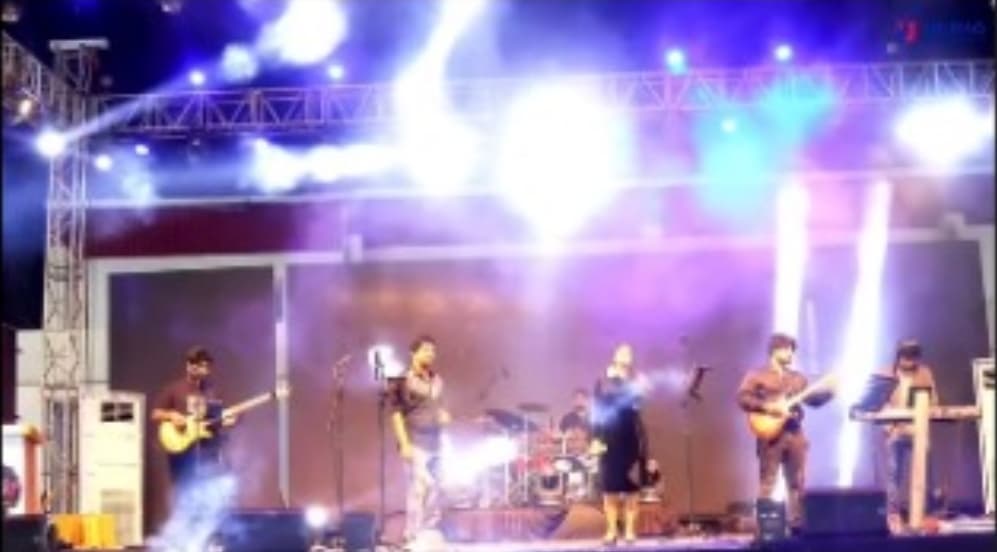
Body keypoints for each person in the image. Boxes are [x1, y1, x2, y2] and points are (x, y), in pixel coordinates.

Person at [736, 333, 835, 534]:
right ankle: (765, 530)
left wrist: (831, 392)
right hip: (770, 435)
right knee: (768, 482)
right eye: (787, 349)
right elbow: (743, 398)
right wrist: (768, 407)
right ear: (775, 350)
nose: (791, 353)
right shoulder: (757, 375)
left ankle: (797, 526)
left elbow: (813, 401)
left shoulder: (797, 378)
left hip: (795, 432)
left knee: (797, 482)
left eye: (792, 350)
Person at [150, 346, 238, 508]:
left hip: (207, 448)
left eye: (207, 366)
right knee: (183, 488)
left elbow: (220, 416)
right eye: (201, 366)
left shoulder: (212, 390)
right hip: (182, 449)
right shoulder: (175, 389)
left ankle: (207, 520)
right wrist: (171, 415)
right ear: (189, 366)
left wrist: (230, 420)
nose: (205, 370)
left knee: (209, 489)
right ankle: (182, 518)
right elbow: (155, 414)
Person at [388, 335, 451, 549]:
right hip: (415, 442)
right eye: (426, 350)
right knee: (418, 489)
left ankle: (429, 532)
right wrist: (404, 443)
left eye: (433, 351)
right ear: (413, 353)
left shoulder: (438, 380)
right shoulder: (402, 380)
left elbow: (438, 407)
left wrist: (443, 415)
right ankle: (412, 536)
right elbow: (396, 414)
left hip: (436, 444)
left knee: (436, 489)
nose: (431, 354)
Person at [590, 344, 650, 544]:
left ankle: (630, 531)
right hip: (608, 437)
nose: (626, 356)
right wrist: (595, 438)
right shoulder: (603, 380)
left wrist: (640, 387)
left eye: (629, 354)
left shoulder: (636, 380)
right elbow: (596, 409)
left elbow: (637, 404)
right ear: (614, 357)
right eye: (622, 353)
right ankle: (611, 531)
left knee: (632, 487)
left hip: (631, 436)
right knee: (610, 487)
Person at [878, 339, 939, 534]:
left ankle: (925, 514)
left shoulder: (924, 373)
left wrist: (928, 413)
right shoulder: (886, 374)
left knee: (925, 473)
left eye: (913, 355)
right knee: (894, 475)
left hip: (918, 430)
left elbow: (934, 400)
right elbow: (879, 402)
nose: (910, 359)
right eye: (906, 355)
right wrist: (888, 426)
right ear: (899, 355)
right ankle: (893, 515)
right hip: (896, 430)